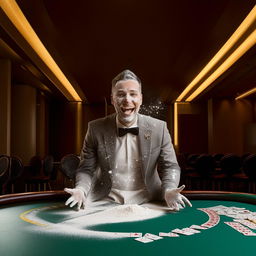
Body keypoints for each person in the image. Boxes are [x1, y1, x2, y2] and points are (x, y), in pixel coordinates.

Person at [65, 70, 192, 211]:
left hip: (150, 200)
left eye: (133, 94)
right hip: (105, 199)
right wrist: (81, 189)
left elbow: (170, 166)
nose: (127, 99)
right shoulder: (95, 128)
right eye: (120, 94)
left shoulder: (159, 128)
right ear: (112, 99)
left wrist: (169, 189)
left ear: (141, 99)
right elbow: (86, 169)